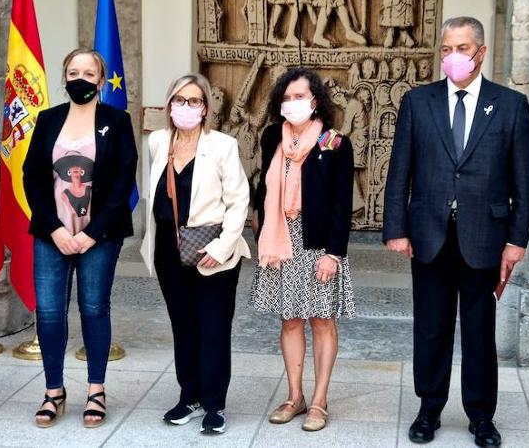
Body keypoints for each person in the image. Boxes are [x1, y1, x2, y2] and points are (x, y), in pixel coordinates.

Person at [383, 16, 529, 447]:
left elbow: (525, 182)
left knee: (478, 332)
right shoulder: (419, 102)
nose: (453, 57)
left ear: (481, 52)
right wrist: (396, 228)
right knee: (430, 328)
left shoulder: (509, 105)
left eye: (463, 48)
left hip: (485, 238)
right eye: (447, 49)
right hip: (430, 235)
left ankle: (481, 416)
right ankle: (428, 409)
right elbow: (400, 172)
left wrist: (517, 240)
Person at [22, 48, 138, 429]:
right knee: (51, 312)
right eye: (73, 72)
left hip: (98, 236)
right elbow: (32, 178)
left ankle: (96, 390)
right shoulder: (48, 119)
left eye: (89, 73)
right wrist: (54, 228)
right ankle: (53, 391)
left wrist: (91, 233)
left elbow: (123, 183)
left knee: (93, 308)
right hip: (51, 233)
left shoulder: (116, 121)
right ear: (64, 77)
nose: (81, 79)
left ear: (101, 80)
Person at [141, 73, 251, 435]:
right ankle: (189, 395)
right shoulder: (158, 142)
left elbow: (239, 202)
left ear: (206, 108)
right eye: (179, 100)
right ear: (169, 104)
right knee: (183, 326)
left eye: (194, 101)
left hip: (212, 254)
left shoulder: (222, 145)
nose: (186, 108)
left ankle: (215, 404)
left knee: (213, 328)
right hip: (170, 254)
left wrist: (220, 249)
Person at [250, 69, 357, 433]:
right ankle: (294, 396)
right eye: (287, 97)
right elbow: (263, 189)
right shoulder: (271, 138)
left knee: (322, 320)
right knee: (290, 319)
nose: (292, 103)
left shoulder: (334, 142)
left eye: (300, 96)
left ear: (316, 101)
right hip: (281, 238)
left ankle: (319, 400)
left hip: (318, 242)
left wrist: (334, 253)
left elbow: (343, 204)